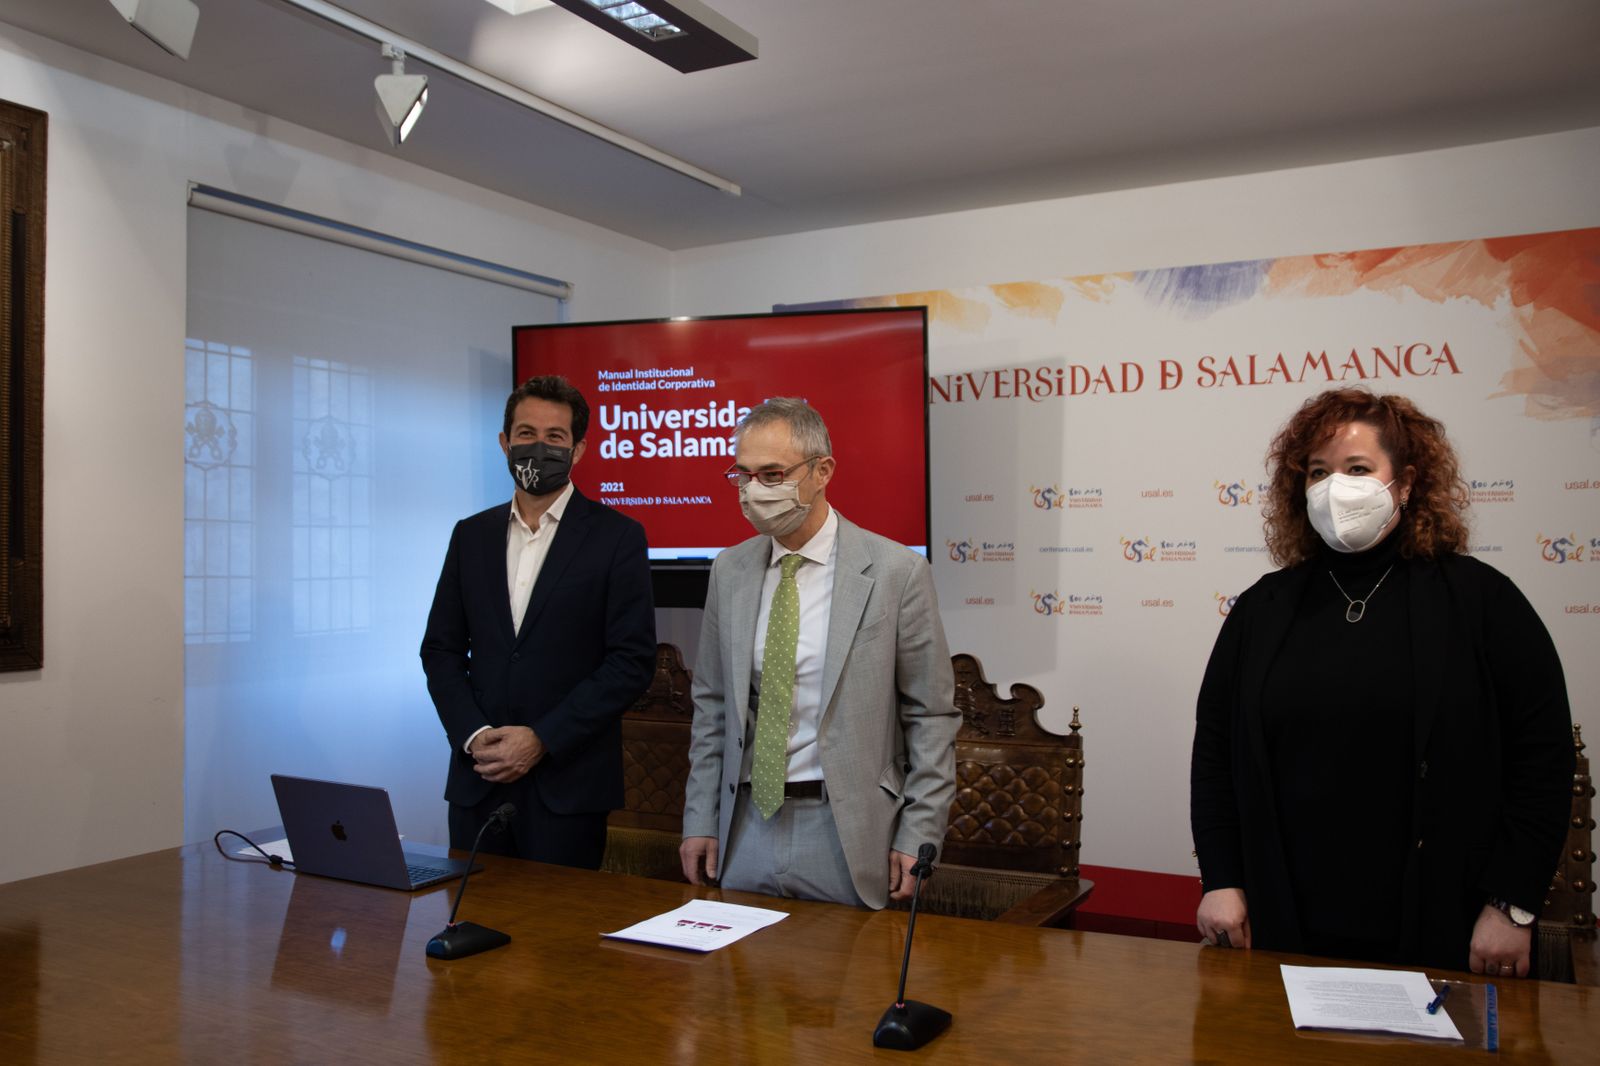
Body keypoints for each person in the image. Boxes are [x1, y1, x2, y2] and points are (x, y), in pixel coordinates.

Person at [1190, 387, 1574, 976]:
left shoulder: (1482, 601)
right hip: (1280, 921)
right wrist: (1221, 879)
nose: (1334, 488)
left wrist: (1511, 905)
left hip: (1447, 922)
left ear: (1407, 482)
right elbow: (1215, 754)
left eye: (1357, 469)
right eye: (1318, 472)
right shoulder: (1261, 609)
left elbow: (1543, 761)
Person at [679, 398, 959, 908]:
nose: (754, 491)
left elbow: (930, 715)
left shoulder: (896, 573)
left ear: (822, 471)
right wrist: (700, 818)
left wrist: (919, 830)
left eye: (772, 474)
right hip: (745, 825)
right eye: (743, 476)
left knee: (848, 962)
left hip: (847, 829)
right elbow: (713, 706)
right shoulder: (730, 569)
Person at [421, 375, 656, 868]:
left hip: (567, 789)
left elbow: (630, 662)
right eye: (526, 434)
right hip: (478, 781)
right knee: (471, 913)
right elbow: (440, 649)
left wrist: (542, 738)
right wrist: (472, 734)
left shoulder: (618, 537)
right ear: (505, 442)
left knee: (559, 921)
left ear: (578, 450)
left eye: (555, 437)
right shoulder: (470, 535)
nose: (538, 447)